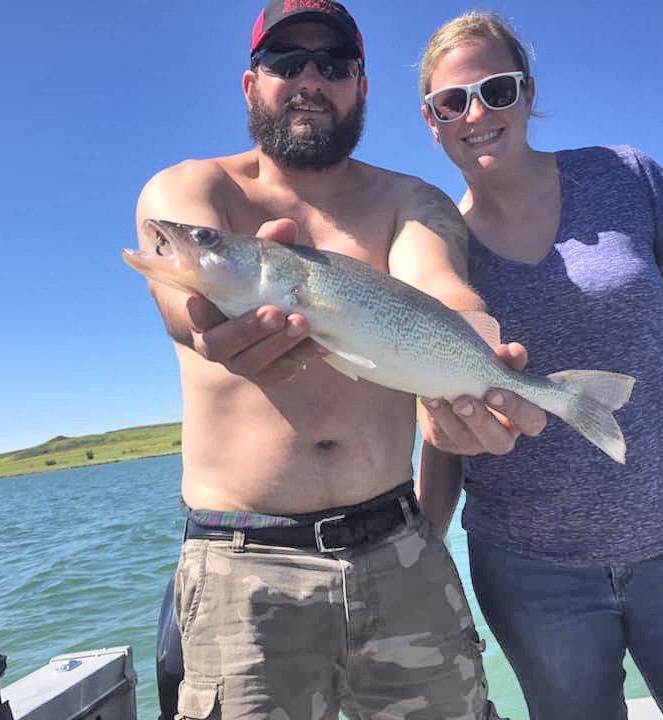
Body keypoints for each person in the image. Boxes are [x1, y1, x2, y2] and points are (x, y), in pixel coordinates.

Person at [133, 2, 545, 718]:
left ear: (363, 85)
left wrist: (483, 368)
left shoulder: (411, 199)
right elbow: (184, 297)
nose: (310, 80)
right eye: (286, 63)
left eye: (335, 65)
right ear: (249, 84)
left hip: (400, 553)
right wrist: (202, 322)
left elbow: (441, 288)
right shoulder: (195, 191)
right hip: (242, 570)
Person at [414, 11, 663, 720]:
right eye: (452, 101)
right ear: (430, 119)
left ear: (527, 92)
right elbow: (438, 416)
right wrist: (426, 552)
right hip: (528, 574)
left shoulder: (627, 177)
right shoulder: (436, 249)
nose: (476, 113)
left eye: (496, 90)